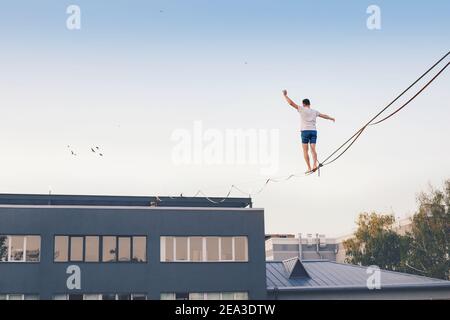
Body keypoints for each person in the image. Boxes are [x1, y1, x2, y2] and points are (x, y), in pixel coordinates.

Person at [282, 90, 335, 173]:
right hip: (313, 131)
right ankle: (314, 165)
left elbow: (291, 103)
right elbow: (324, 116)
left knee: (305, 150)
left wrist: (285, 95)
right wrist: (331, 118)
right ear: (309, 104)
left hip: (305, 132)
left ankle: (309, 168)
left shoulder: (301, 109)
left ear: (303, 104)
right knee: (313, 149)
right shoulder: (315, 111)